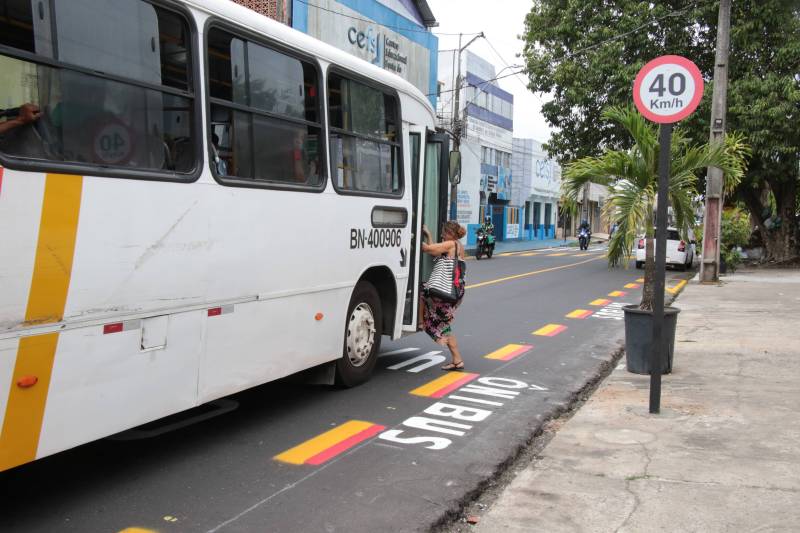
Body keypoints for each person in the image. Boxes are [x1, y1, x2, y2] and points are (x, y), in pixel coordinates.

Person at [420, 220, 467, 371]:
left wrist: (411, 235)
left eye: (443, 232)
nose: (442, 235)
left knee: (422, 291)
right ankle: (457, 360)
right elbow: (435, 250)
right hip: (454, 292)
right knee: (444, 324)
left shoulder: (450, 244)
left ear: (449, 233)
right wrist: (428, 234)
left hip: (445, 291)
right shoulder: (458, 246)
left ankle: (424, 326)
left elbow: (427, 249)